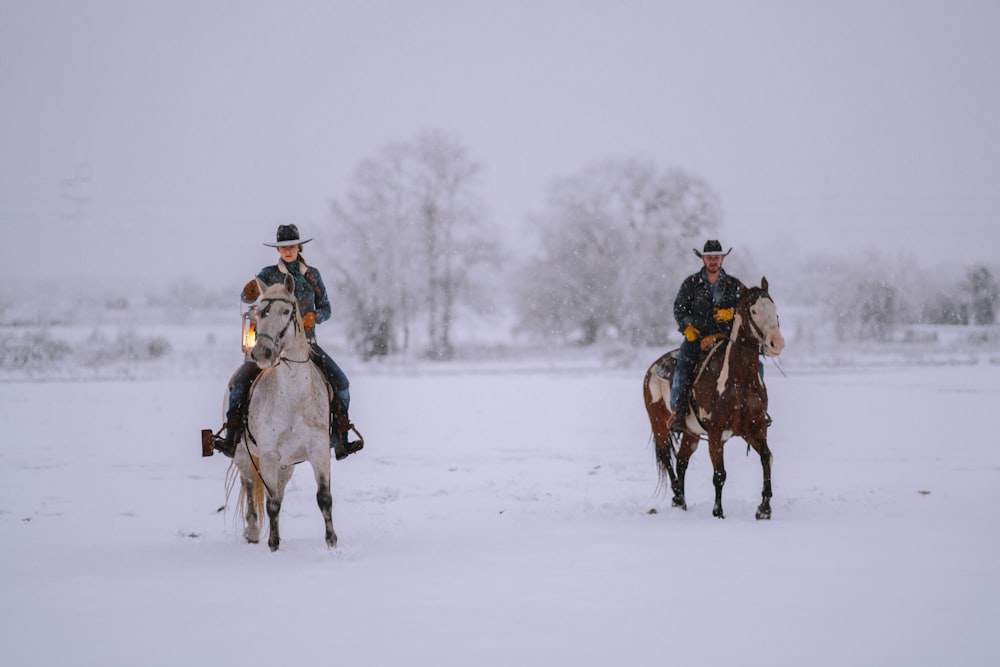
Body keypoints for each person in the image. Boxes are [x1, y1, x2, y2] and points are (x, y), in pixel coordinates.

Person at [213, 224, 364, 461]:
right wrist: (250, 291)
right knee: (239, 384)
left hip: (307, 345)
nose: (287, 251)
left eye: (291, 246)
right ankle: (232, 436)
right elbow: (246, 297)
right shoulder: (268, 274)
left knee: (342, 385)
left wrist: (315, 317)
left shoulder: (312, 276)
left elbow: (326, 308)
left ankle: (340, 438)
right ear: (278, 249)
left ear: (299, 246)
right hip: (272, 345)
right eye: (283, 247)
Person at [669, 239, 743, 429]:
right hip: (698, 338)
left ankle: (754, 407)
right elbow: (679, 308)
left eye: (717, 257)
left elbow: (746, 309)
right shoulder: (691, 283)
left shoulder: (733, 284)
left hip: (726, 339)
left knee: (754, 365)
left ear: (723, 259)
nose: (713, 261)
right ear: (702, 259)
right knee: (683, 367)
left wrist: (732, 313)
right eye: (709, 257)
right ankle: (678, 412)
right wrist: (687, 328)